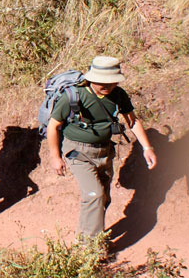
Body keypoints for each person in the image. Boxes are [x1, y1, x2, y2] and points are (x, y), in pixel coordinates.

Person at [46, 56, 157, 241]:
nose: (107, 86)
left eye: (111, 81)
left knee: (103, 197)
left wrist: (147, 147)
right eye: (101, 82)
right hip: (78, 152)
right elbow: (53, 126)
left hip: (105, 152)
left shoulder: (118, 95)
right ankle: (89, 248)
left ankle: (86, 239)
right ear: (91, 78)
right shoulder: (74, 96)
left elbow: (132, 121)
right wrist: (55, 156)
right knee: (94, 195)